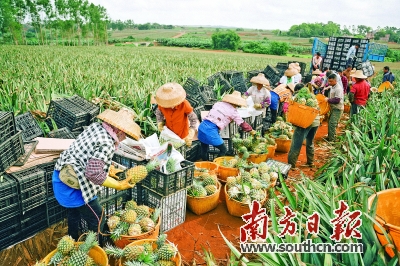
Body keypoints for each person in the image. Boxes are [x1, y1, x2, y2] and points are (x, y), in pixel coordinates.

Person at [53, 109, 140, 242]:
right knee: (99, 218)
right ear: (120, 131)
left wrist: (108, 168)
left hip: (60, 177)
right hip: (74, 188)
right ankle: (97, 248)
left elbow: (88, 152)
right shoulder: (107, 143)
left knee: (74, 213)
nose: (125, 138)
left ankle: (72, 240)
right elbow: (93, 173)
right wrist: (119, 185)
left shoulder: (96, 127)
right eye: (126, 134)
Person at [198, 91, 253, 160]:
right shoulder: (233, 112)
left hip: (202, 126)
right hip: (210, 130)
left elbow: (216, 114)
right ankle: (215, 164)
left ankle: (205, 164)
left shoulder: (218, 104)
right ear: (236, 104)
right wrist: (251, 130)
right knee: (223, 149)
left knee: (204, 149)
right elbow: (242, 124)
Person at [155, 82, 199, 147]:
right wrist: (160, 122)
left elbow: (193, 119)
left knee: (181, 148)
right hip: (169, 132)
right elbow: (159, 113)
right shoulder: (162, 103)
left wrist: (191, 131)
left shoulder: (184, 104)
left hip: (182, 133)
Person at [288, 83, 320, 168]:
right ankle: (311, 162)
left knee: (296, 143)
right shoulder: (313, 97)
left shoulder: (298, 97)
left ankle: (291, 165)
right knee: (310, 142)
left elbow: (292, 106)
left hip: (305, 121)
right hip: (316, 122)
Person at [324, 74, 344, 142]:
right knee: (330, 122)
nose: (329, 83)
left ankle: (332, 140)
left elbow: (337, 100)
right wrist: (328, 87)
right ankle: (330, 137)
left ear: (335, 80)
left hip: (337, 108)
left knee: (332, 123)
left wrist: (328, 100)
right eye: (328, 81)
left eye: (331, 81)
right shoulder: (333, 86)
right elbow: (331, 87)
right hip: (333, 108)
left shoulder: (338, 89)